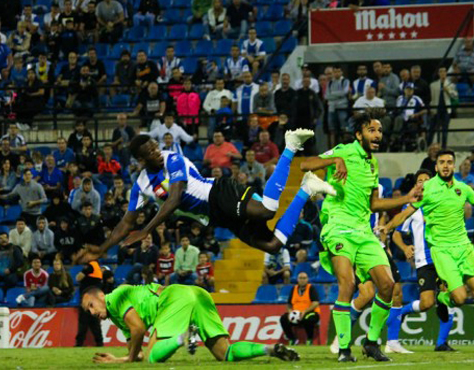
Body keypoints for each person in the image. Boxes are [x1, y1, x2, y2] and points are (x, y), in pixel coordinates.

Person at [76, 129, 334, 264]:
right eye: (151, 151)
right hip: (216, 217)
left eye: (156, 146)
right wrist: (102, 248)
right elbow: (125, 223)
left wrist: (148, 229)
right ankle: (306, 189)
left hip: (219, 194)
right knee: (273, 246)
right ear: (141, 160)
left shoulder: (172, 159)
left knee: (267, 210)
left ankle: (289, 146)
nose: (158, 151)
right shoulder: (140, 185)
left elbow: (175, 197)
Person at [300, 111, 424, 362]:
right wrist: (335, 160)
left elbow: (374, 203)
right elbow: (305, 165)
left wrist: (406, 199)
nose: (377, 135)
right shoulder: (344, 150)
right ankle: (344, 349)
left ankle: (370, 343)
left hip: (363, 232)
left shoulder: (373, 164)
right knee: (348, 284)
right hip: (338, 228)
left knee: (387, 285)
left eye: (379, 131)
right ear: (359, 134)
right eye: (372, 130)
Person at [380, 149, 474, 354]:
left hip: (464, 247)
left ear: (454, 165)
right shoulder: (427, 189)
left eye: (449, 162)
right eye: (442, 162)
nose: (446, 165)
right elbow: (405, 214)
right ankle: (443, 299)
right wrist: (388, 228)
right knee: (458, 298)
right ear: (436, 166)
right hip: (441, 251)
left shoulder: (462, 188)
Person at [82, 283, 299, 363]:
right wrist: (120, 358)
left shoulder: (116, 297)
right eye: (87, 311)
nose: (91, 312)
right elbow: (135, 352)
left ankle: (184, 337)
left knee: (152, 357)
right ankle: (270, 349)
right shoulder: (119, 319)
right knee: (225, 354)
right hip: (195, 293)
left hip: (174, 298)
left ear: (101, 295)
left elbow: (138, 332)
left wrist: (128, 359)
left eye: (91, 305)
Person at [389, 169, 456, 352]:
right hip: (424, 260)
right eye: (420, 181)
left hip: (444, 257)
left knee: (448, 297)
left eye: (428, 180)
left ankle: (441, 343)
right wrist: (404, 247)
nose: (424, 183)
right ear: (416, 185)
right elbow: (396, 234)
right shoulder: (412, 207)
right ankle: (402, 312)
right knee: (426, 303)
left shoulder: (442, 201)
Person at [280, 272, 320, 346]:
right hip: (296, 314)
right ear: (297, 279)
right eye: (300, 278)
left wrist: (304, 312)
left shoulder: (311, 288)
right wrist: (290, 313)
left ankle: (309, 339)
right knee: (283, 318)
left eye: (304, 278)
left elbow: (315, 303)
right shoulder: (294, 289)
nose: (302, 280)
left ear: (307, 279)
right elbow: (289, 304)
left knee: (308, 319)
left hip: (310, 312)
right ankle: (292, 339)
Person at [75, 259, 104, 347]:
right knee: (95, 323)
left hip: (87, 298)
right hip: (95, 298)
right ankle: (99, 343)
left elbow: (78, 278)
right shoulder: (97, 267)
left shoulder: (90, 265)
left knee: (83, 322)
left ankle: (79, 343)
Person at [428, 67, 457, 148]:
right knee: (432, 128)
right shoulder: (433, 85)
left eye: (444, 71)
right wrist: (432, 109)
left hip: (446, 109)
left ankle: (444, 146)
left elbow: (455, 96)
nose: (442, 73)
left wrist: (448, 90)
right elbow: (432, 98)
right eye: (441, 72)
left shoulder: (451, 85)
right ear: (438, 73)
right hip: (436, 108)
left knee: (445, 129)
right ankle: (428, 145)